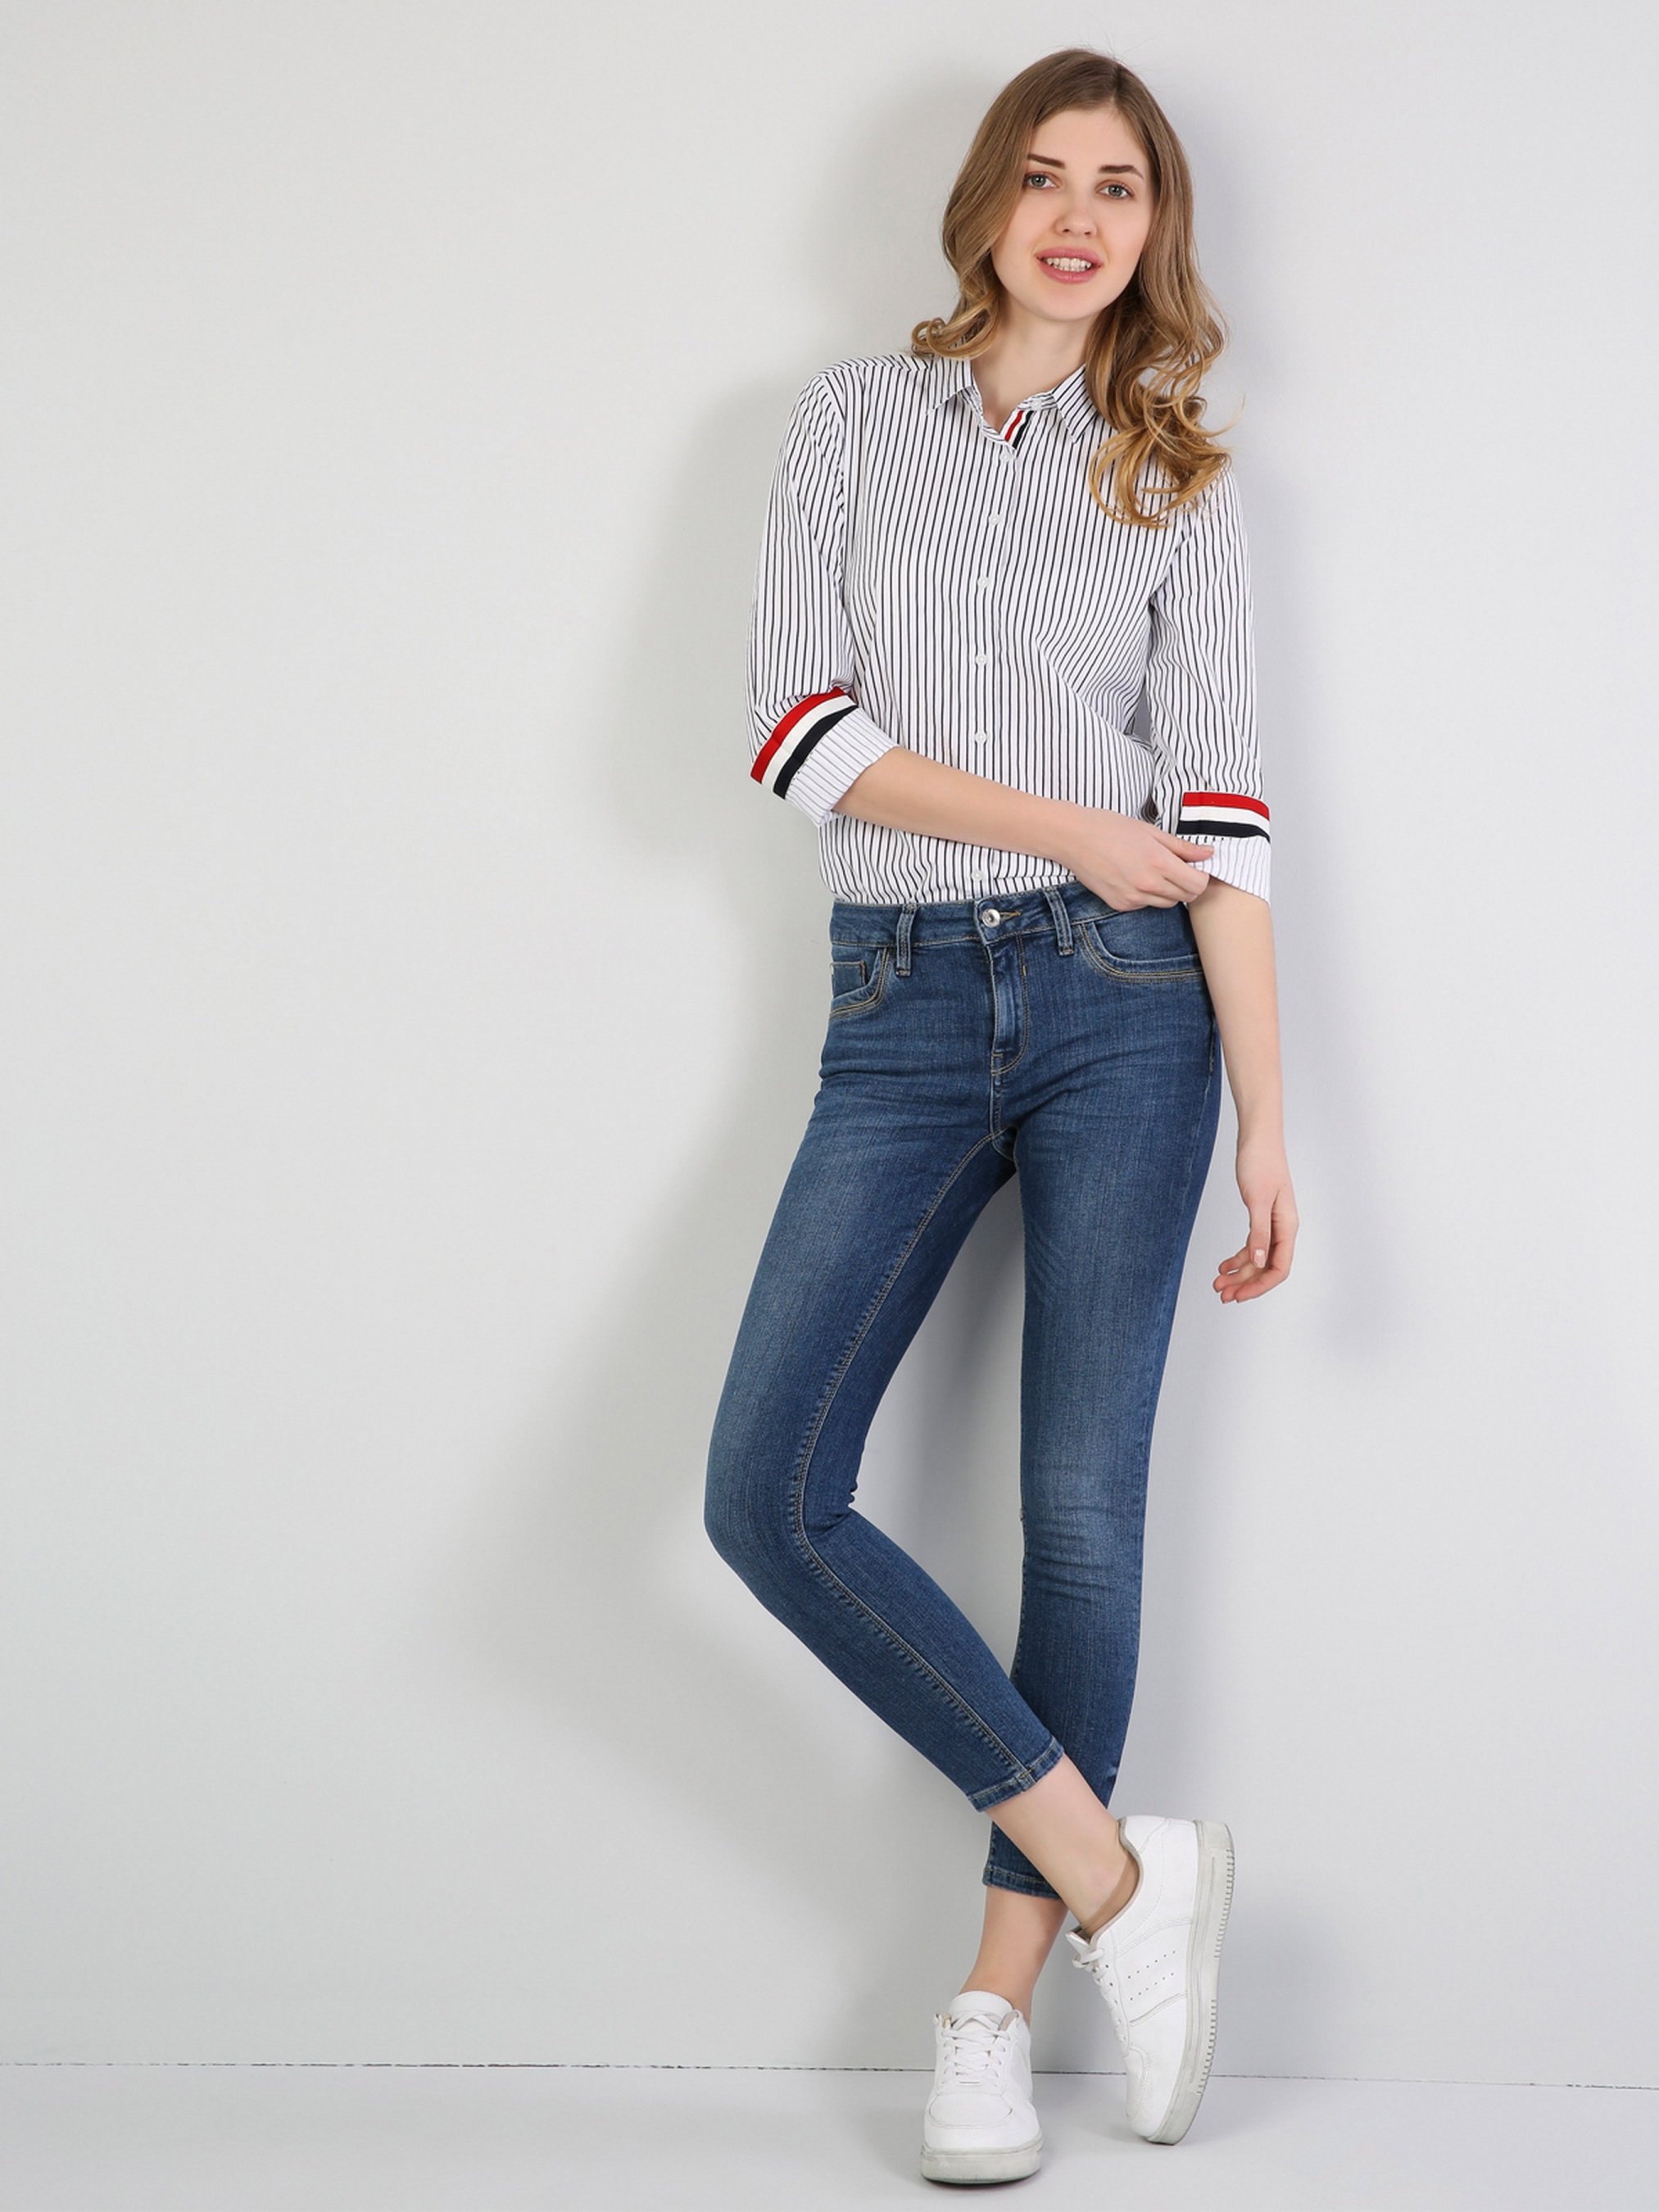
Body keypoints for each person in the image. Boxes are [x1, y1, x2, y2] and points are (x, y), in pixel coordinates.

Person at [704, 44, 1298, 2183]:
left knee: (1080, 1513)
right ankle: (1127, 1879)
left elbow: (1224, 819)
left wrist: (1267, 1118)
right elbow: (799, 730)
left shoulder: (1183, 476)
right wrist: (1074, 824)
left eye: (1117, 187)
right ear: (983, 205)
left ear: (1155, 229)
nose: (1076, 217)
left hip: (1133, 1013)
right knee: (766, 1495)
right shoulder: (850, 421)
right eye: (1042, 177)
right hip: (898, 998)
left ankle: (991, 2005)